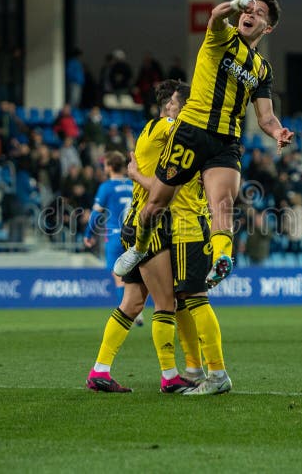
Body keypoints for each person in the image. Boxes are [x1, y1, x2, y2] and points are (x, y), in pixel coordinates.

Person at [114, 0, 293, 288]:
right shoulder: (222, 38)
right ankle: (140, 247)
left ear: (268, 27)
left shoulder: (262, 69)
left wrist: (278, 132)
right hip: (192, 132)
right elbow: (216, 15)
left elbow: (265, 116)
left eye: (259, 13)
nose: (250, 14)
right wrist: (236, 4)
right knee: (157, 202)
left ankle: (223, 258)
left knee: (222, 203)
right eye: (248, 10)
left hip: (227, 141)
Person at [87, 80, 232, 395]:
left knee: (133, 301)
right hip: (151, 225)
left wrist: (136, 173)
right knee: (167, 303)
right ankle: (170, 376)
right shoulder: (168, 126)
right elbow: (161, 186)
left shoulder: (152, 132)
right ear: (171, 106)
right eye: (186, 103)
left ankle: (99, 371)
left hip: (142, 223)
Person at [83, 151, 140, 325]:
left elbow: (96, 213)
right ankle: (137, 308)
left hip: (115, 236)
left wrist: (88, 234)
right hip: (135, 237)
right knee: (136, 276)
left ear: (108, 166)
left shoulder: (106, 187)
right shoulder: (134, 184)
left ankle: (128, 312)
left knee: (118, 277)